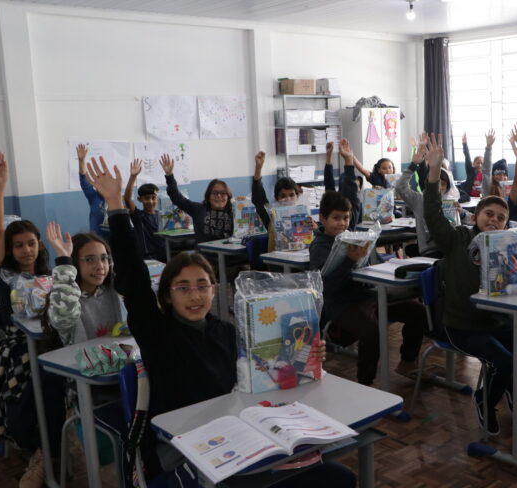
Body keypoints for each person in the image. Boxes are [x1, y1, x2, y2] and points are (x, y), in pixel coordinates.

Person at [85, 156, 355, 488]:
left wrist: (304, 360)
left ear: (215, 290)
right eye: (183, 288)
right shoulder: (156, 331)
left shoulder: (226, 331)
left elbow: (263, 374)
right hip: (184, 444)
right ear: (167, 295)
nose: (195, 296)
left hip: (237, 431)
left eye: (203, 286)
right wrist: (115, 206)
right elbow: (134, 277)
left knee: (340, 477)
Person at [422, 132, 517, 436]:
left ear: (507, 224)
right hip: (462, 325)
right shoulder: (458, 239)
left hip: (497, 322)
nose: (494, 220)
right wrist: (432, 171)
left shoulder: (507, 244)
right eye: (488, 214)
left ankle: (505, 388)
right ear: (476, 216)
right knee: (506, 361)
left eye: (500, 217)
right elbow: (432, 213)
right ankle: (486, 399)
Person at [0, 153, 64, 488]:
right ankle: (40, 453)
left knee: (54, 379)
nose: (25, 250)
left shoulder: (50, 276)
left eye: (31, 243)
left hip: (50, 339)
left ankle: (52, 450)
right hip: (18, 342)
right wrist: (0, 187)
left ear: (39, 245)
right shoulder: (6, 274)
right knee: (28, 383)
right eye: (18, 246)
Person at [309, 187, 425, 385]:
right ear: (323, 218)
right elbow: (328, 284)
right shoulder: (319, 246)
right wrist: (349, 260)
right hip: (341, 304)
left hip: (368, 296)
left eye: (346, 218)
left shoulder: (352, 238)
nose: (342, 223)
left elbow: (367, 266)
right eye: (336, 218)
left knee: (417, 310)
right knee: (372, 330)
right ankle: (365, 382)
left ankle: (407, 361)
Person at [44, 222, 125, 346]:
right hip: (80, 363)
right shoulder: (67, 298)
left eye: (104, 258)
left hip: (119, 358)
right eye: (89, 259)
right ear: (74, 264)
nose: (100, 266)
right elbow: (63, 319)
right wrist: (64, 259)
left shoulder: (114, 290)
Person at [160, 153, 234, 243]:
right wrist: (169, 175)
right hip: (205, 255)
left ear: (228, 197)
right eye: (215, 193)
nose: (219, 196)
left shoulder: (232, 212)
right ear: (208, 196)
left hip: (228, 255)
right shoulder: (199, 209)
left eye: (223, 193)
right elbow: (176, 197)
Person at [252, 150, 301, 251]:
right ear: (276, 198)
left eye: (291, 195)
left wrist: (314, 227)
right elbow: (259, 199)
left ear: (297, 196)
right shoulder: (271, 217)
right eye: (283, 196)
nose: (288, 199)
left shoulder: (305, 215)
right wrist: (258, 168)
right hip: (278, 264)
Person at [123, 159, 166, 262]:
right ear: (140, 199)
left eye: (153, 198)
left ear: (157, 198)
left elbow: (173, 230)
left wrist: (183, 223)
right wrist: (133, 176)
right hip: (148, 259)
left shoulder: (162, 215)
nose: (151, 201)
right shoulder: (138, 216)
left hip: (164, 255)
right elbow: (127, 199)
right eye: (147, 198)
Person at [75, 144, 106, 236]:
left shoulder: (117, 199)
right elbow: (83, 180)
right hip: (97, 240)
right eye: (98, 183)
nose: (101, 186)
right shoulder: (94, 197)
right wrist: (81, 160)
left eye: (104, 184)